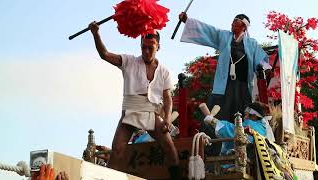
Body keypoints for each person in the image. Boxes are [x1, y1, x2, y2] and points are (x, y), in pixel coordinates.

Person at [88, 22, 181, 179]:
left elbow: (167, 98)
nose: (146, 51)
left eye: (150, 47)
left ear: (158, 47)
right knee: (117, 149)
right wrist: (96, 33)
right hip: (130, 111)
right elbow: (104, 54)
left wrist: (167, 118)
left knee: (169, 147)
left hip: (152, 112)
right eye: (143, 47)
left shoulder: (164, 71)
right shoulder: (129, 61)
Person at [179, 12, 270, 122]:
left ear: (244, 27)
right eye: (232, 22)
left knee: (242, 114)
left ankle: (242, 135)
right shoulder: (224, 36)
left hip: (243, 86)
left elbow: (262, 61)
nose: (232, 24)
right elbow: (209, 30)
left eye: (236, 22)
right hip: (225, 85)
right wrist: (187, 21)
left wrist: (264, 69)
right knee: (220, 112)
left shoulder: (252, 43)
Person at [204, 102, 272, 155]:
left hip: (239, 160)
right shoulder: (262, 128)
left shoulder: (250, 125)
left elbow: (232, 131)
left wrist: (214, 121)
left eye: (246, 114)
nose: (244, 118)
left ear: (254, 116)